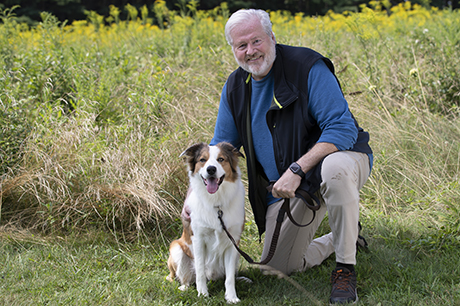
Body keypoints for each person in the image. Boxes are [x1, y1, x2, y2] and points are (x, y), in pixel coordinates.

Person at [182, 8, 373, 304]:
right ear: (233, 49)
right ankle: (344, 237)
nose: (250, 51)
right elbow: (216, 153)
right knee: (277, 268)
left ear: (272, 37)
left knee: (333, 169)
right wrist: (192, 200)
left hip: (337, 163)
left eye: (256, 41)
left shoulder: (307, 66)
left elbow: (342, 127)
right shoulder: (235, 87)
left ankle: (345, 269)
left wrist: (299, 168)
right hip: (287, 190)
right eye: (241, 46)